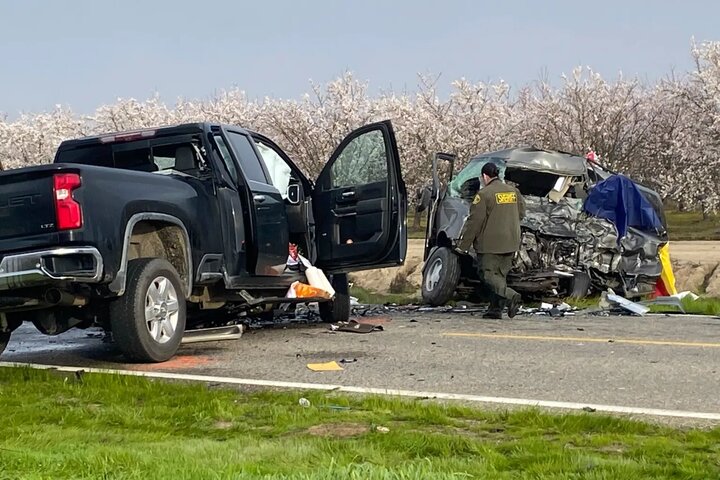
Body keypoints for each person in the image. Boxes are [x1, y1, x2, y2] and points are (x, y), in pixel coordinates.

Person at [457, 162, 526, 319]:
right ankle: (495, 309)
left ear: (485, 176)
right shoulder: (514, 192)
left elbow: (474, 222)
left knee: (488, 275)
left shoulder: (484, 194)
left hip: (491, 243)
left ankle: (511, 296)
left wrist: (463, 246)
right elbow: (521, 213)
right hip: (511, 241)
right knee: (500, 276)